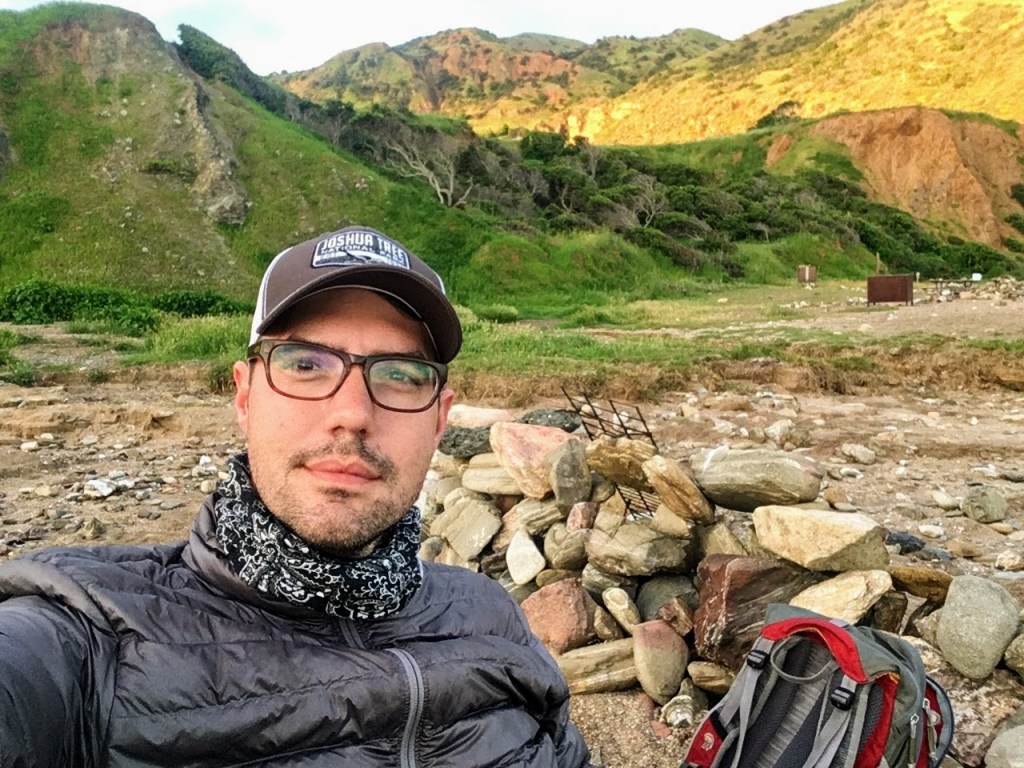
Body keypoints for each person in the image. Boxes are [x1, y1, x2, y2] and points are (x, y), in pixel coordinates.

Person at [0, 225, 592, 767]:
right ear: (245, 396)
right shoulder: (89, 634)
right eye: (306, 363)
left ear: (439, 420)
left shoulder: (490, 614)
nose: (352, 414)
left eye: (400, 375)